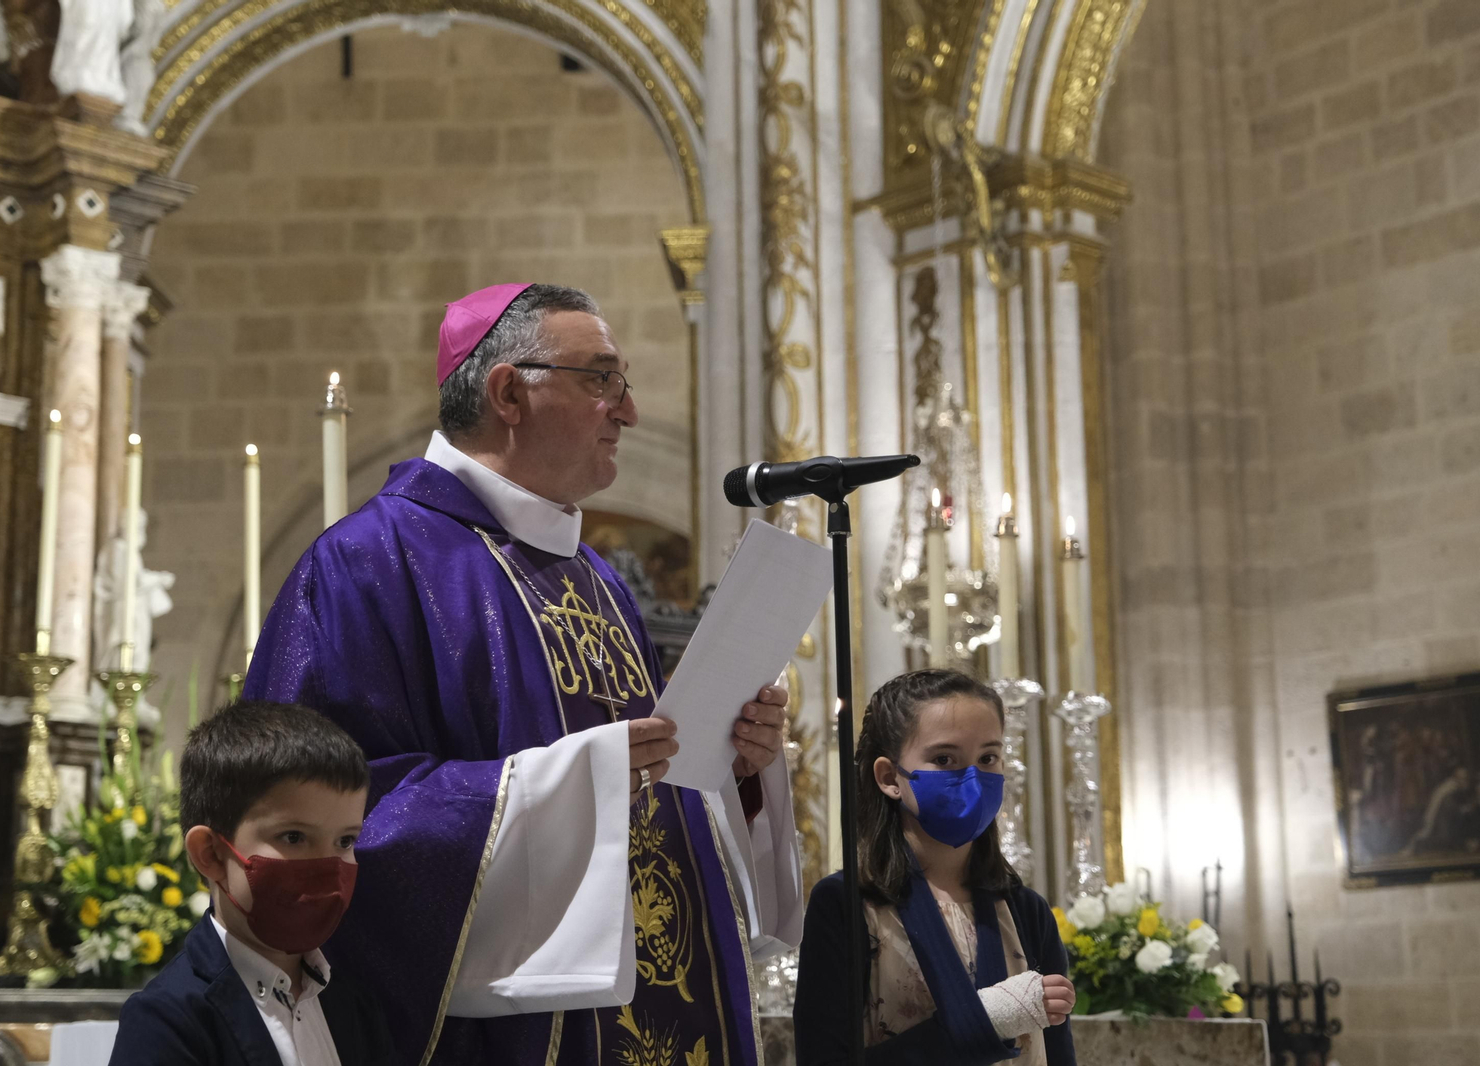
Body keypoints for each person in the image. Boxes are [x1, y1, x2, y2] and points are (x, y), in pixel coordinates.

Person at [244, 283, 803, 1066]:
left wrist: (731, 767)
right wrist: (579, 780)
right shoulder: (368, 563)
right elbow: (313, 821)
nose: (628, 410)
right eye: (601, 379)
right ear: (509, 391)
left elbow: (653, 796)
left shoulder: (597, 580)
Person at [794, 669, 1077, 1065]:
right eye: (945, 759)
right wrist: (990, 1018)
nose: (974, 778)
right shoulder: (847, 905)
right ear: (890, 777)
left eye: (988, 758)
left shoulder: (1026, 912)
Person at [109, 700, 395, 1066]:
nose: (327, 866)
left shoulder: (355, 1007)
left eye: (345, 841)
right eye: (294, 837)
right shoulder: (167, 1020)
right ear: (211, 854)